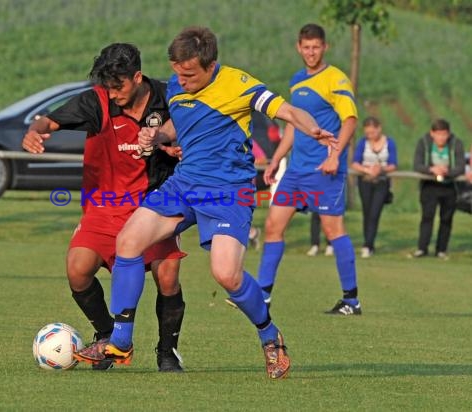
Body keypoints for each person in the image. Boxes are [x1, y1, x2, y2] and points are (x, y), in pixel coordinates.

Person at [85, 26, 336, 380]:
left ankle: (270, 336)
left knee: (226, 274)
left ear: (211, 65)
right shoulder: (177, 85)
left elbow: (290, 113)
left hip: (229, 191)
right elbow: (179, 124)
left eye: (189, 74)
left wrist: (314, 131)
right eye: (176, 72)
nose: (181, 80)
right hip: (185, 183)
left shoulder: (239, 84)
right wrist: (158, 135)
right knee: (129, 240)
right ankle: (121, 340)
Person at [21, 43, 187, 372]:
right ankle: (109, 335)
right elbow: (48, 122)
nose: (112, 93)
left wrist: (178, 148)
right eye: (107, 86)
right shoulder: (96, 102)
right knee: (77, 269)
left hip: (151, 206)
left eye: (118, 86)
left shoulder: (169, 99)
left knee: (167, 275)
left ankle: (167, 352)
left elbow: (195, 129)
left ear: (137, 77)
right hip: (105, 206)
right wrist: (33, 132)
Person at [257, 23, 361, 315]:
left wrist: (335, 156)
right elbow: (293, 124)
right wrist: (277, 159)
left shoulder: (335, 78)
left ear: (324, 47)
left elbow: (350, 119)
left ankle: (351, 300)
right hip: (295, 174)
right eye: (306, 47)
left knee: (332, 229)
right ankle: (263, 296)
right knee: (272, 227)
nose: (311, 52)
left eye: (316, 47)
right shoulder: (297, 80)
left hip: (323, 170)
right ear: (298, 48)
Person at [409, 119, 465, 259]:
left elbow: (460, 167)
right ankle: (422, 248)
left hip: (449, 186)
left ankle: (441, 250)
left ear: (448, 134)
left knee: (446, 218)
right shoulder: (423, 143)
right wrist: (431, 169)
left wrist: (447, 172)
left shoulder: (456, 143)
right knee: (427, 217)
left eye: (444, 134)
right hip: (430, 185)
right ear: (432, 133)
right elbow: (417, 165)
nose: (441, 138)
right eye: (438, 134)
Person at [351, 116, 398, 258]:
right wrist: (367, 170)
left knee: (375, 212)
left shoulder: (389, 143)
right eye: (367, 133)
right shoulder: (362, 143)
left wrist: (381, 169)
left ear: (379, 128)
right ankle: (368, 243)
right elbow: (355, 162)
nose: (370, 136)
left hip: (381, 182)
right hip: (364, 181)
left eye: (373, 132)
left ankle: (368, 244)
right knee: (367, 212)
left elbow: (393, 164)